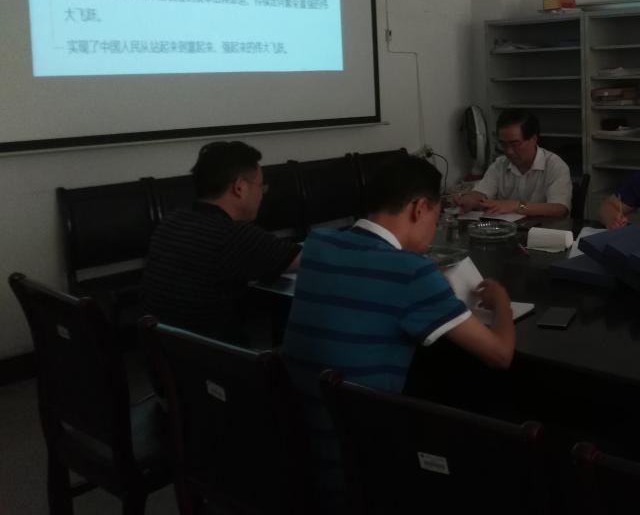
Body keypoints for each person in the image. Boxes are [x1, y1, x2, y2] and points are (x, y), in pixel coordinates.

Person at [282, 153, 515, 510]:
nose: (434, 228)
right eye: (436, 216)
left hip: (297, 448)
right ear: (420, 208)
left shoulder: (318, 245)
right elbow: (500, 355)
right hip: (360, 460)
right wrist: (502, 303)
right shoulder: (412, 271)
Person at [142, 140, 301, 345]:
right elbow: (312, 260)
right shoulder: (233, 235)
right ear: (240, 187)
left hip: (161, 351)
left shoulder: (171, 222)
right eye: (261, 186)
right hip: (215, 357)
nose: (262, 194)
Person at [455, 109, 571, 218]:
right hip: (507, 229)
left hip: (543, 230)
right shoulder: (500, 164)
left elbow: (560, 209)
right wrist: (469, 199)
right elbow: (482, 194)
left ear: (534, 139)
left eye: (515, 144)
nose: (509, 151)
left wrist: (517, 205)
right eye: (504, 144)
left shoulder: (555, 165)